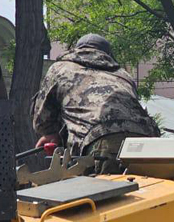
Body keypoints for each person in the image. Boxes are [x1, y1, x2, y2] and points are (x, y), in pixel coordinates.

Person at [32, 34, 160, 162]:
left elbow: (42, 118)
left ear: (77, 49)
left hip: (99, 139)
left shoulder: (59, 68)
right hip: (146, 138)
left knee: (103, 181)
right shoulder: (124, 75)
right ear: (108, 53)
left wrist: (51, 133)